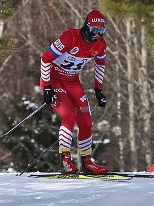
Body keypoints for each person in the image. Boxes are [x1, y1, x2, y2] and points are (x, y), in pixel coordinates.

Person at [40, 10, 109, 174]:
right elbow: (45, 59)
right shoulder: (69, 37)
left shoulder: (100, 45)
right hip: (54, 78)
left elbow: (100, 65)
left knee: (86, 121)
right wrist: (47, 86)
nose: (96, 35)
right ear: (86, 26)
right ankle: (65, 161)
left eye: (101, 31)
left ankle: (87, 161)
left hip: (72, 81)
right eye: (94, 30)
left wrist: (98, 90)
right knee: (69, 115)